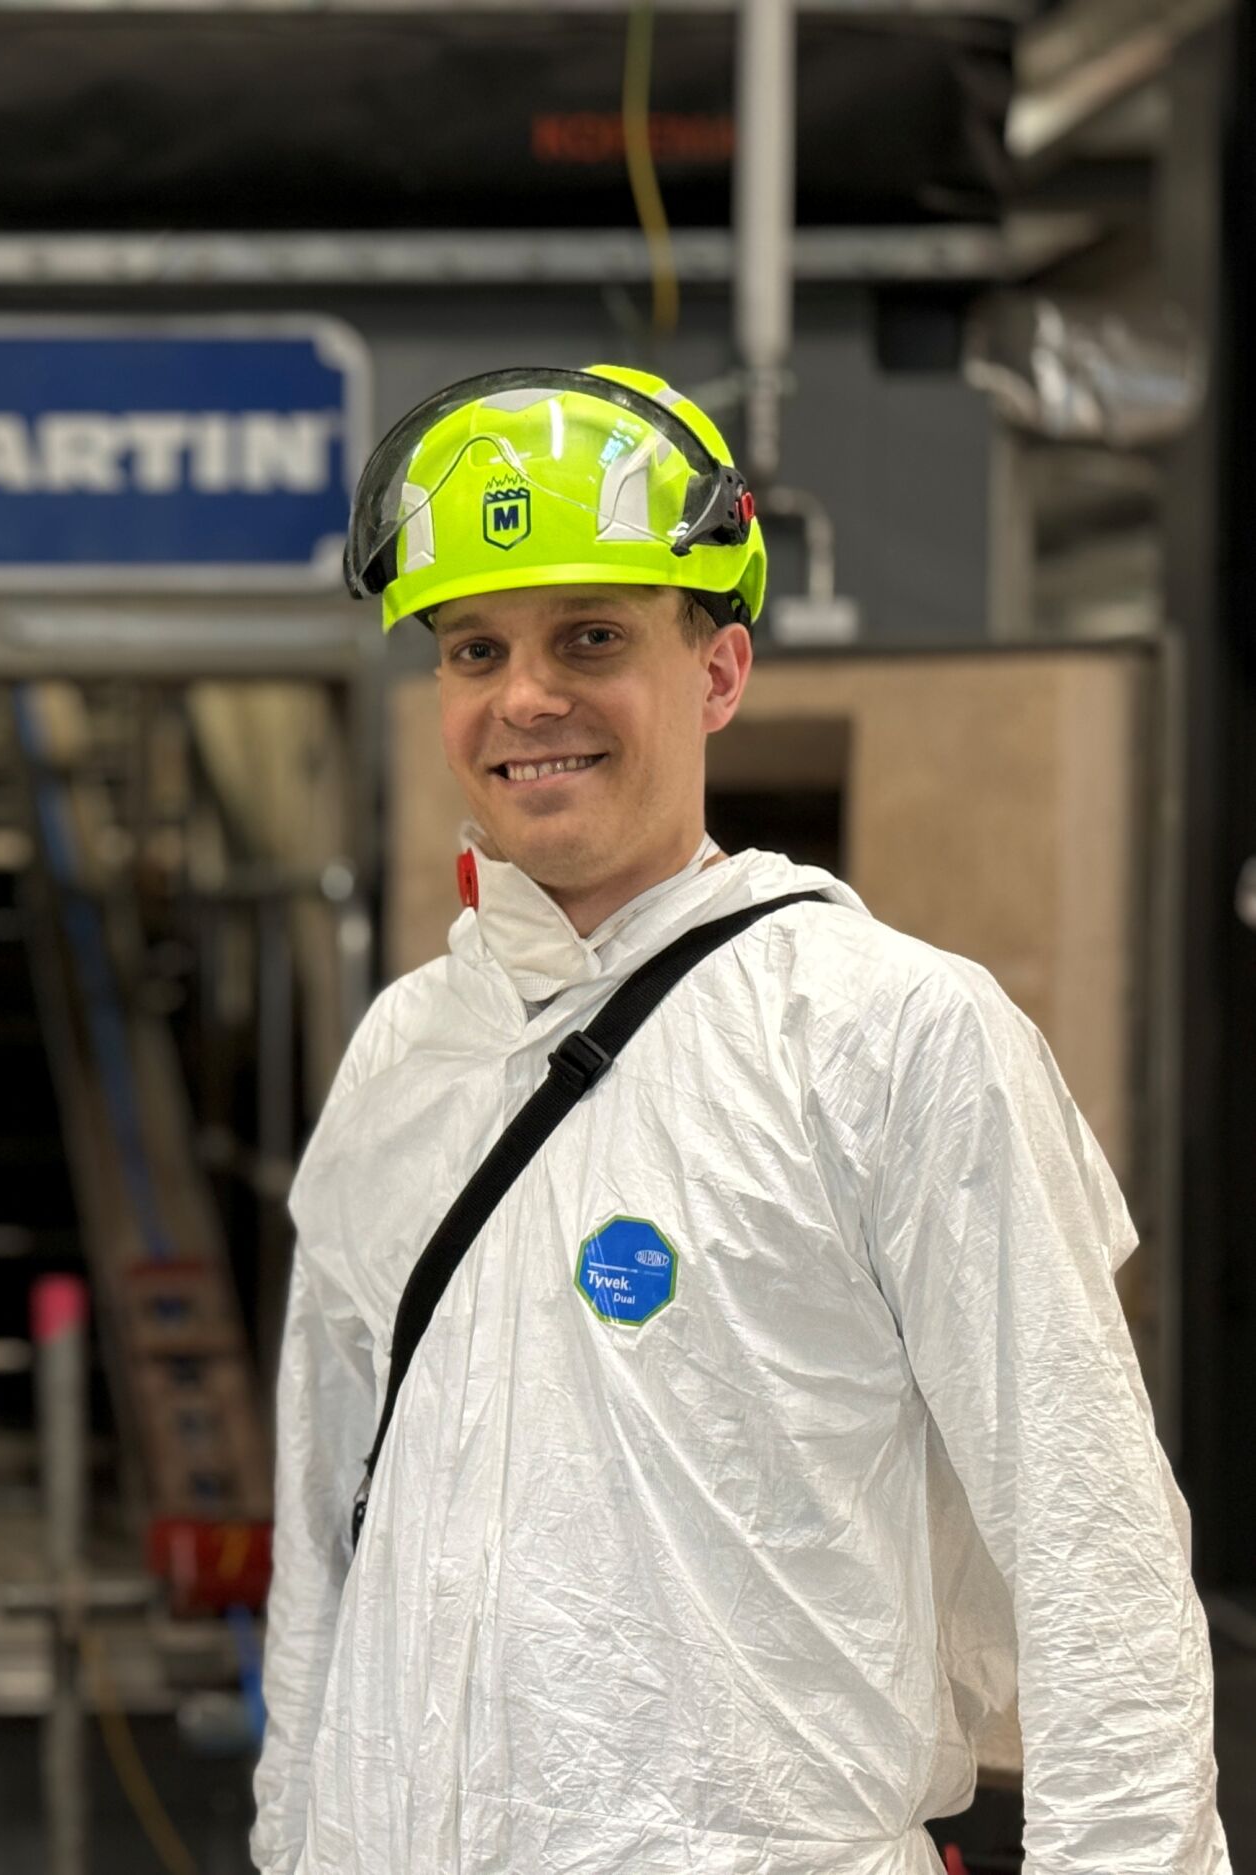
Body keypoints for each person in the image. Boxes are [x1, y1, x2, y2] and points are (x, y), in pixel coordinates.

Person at [251, 364, 1228, 1874]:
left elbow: (1094, 1557)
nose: (526, 698)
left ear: (717, 672)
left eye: (593, 636)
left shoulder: (887, 1036)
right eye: (473, 647)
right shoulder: (403, 1060)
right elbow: (323, 1547)